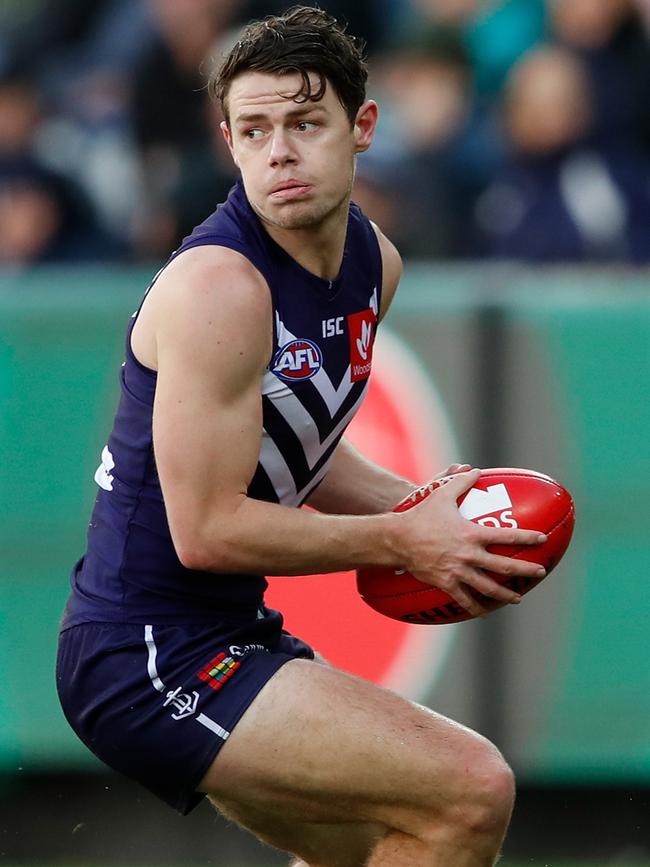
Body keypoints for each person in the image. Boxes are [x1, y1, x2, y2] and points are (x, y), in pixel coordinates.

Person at [56, 7, 549, 866]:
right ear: (228, 141)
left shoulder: (372, 261)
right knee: (471, 787)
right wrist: (401, 537)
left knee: (381, 843)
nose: (278, 150)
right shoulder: (220, 288)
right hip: (144, 654)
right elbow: (206, 530)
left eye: (303, 123)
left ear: (362, 128)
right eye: (253, 129)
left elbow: (295, 452)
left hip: (227, 631)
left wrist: (426, 507)